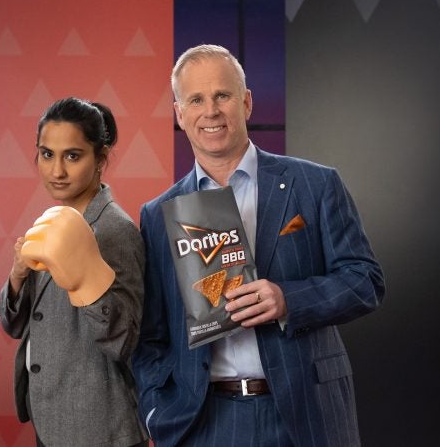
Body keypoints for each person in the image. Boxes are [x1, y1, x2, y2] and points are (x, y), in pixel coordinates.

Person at [131, 44, 385, 447]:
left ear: (246, 102)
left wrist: (288, 299)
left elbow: (365, 281)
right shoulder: (158, 215)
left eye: (222, 95)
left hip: (306, 414)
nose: (211, 111)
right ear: (179, 114)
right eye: (196, 100)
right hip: (205, 422)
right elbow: (150, 335)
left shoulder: (315, 184)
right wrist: (156, 410)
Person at [0, 97, 147, 446]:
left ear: (101, 159)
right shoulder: (52, 223)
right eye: (47, 154)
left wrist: (87, 282)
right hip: (52, 419)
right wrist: (18, 276)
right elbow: (15, 325)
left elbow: (126, 341)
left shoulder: (115, 230)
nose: (57, 171)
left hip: (98, 428)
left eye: (73, 156)